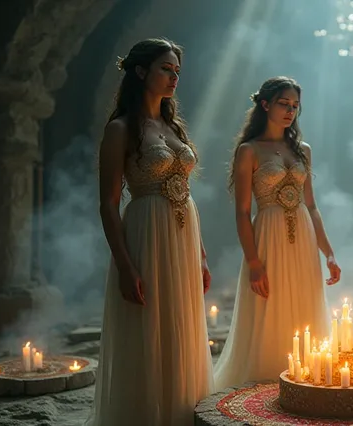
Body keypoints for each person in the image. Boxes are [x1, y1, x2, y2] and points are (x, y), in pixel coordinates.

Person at [87, 38, 213, 426]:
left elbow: (186, 192)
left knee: (183, 325)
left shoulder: (172, 126)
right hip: (147, 233)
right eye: (165, 68)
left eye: (177, 70)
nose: (174, 76)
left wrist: (202, 255)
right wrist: (125, 266)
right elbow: (108, 203)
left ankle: (182, 408)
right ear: (141, 71)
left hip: (183, 235)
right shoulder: (120, 129)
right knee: (151, 327)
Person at [213, 76, 341, 388]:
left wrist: (328, 252)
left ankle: (303, 379)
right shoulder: (249, 151)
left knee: (304, 304)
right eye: (284, 103)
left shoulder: (302, 151)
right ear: (265, 104)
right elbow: (243, 212)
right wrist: (254, 262)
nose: (290, 111)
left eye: (295, 106)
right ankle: (268, 380)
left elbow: (311, 205)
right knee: (270, 306)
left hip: (304, 235)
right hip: (268, 235)